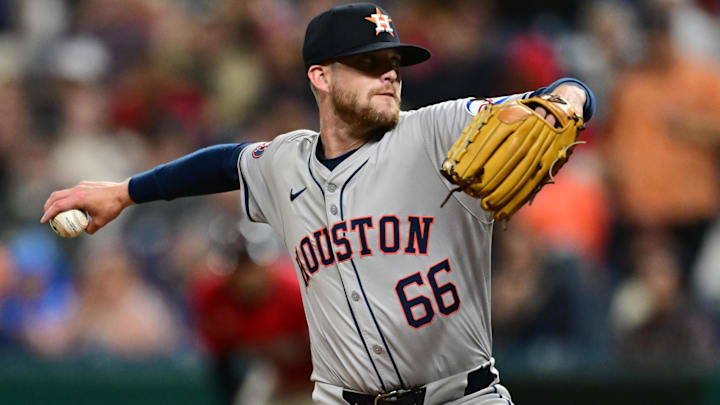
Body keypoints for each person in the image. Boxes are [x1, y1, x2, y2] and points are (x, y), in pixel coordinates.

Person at [41, 3, 595, 404]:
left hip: (460, 397)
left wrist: (567, 99)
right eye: (370, 64)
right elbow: (222, 164)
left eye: (394, 64)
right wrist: (122, 192)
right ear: (320, 76)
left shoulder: (437, 130)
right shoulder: (286, 163)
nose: (390, 76)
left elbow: (564, 94)